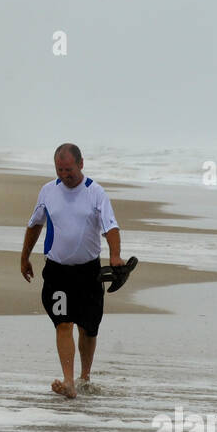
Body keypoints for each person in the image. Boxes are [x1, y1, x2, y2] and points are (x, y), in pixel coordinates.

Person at [20, 143, 126, 398]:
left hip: (89, 273)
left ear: (81, 164)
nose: (65, 175)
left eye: (69, 169)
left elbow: (110, 228)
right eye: (60, 170)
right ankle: (69, 381)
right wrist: (24, 257)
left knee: (89, 328)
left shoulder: (95, 192)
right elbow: (34, 225)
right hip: (57, 273)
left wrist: (114, 255)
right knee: (63, 323)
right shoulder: (48, 191)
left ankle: (84, 377)